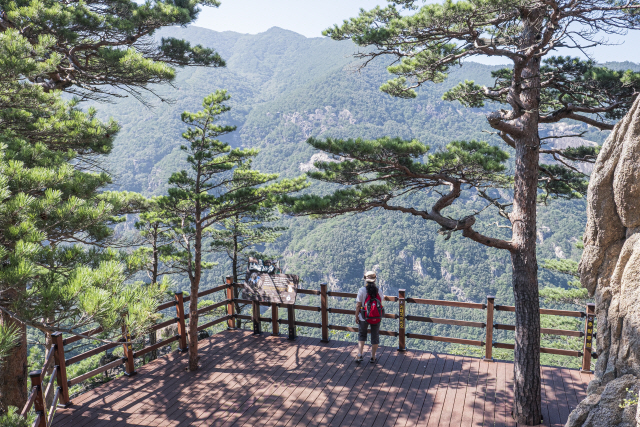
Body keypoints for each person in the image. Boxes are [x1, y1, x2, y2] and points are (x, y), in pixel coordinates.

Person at [355, 271, 384, 363]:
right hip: (376, 317)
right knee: (375, 336)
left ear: (365, 280)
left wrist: (356, 315)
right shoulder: (379, 291)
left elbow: (358, 304)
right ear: (375, 280)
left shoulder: (362, 290)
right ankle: (373, 357)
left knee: (362, 334)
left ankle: (359, 355)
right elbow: (381, 302)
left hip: (363, 317)